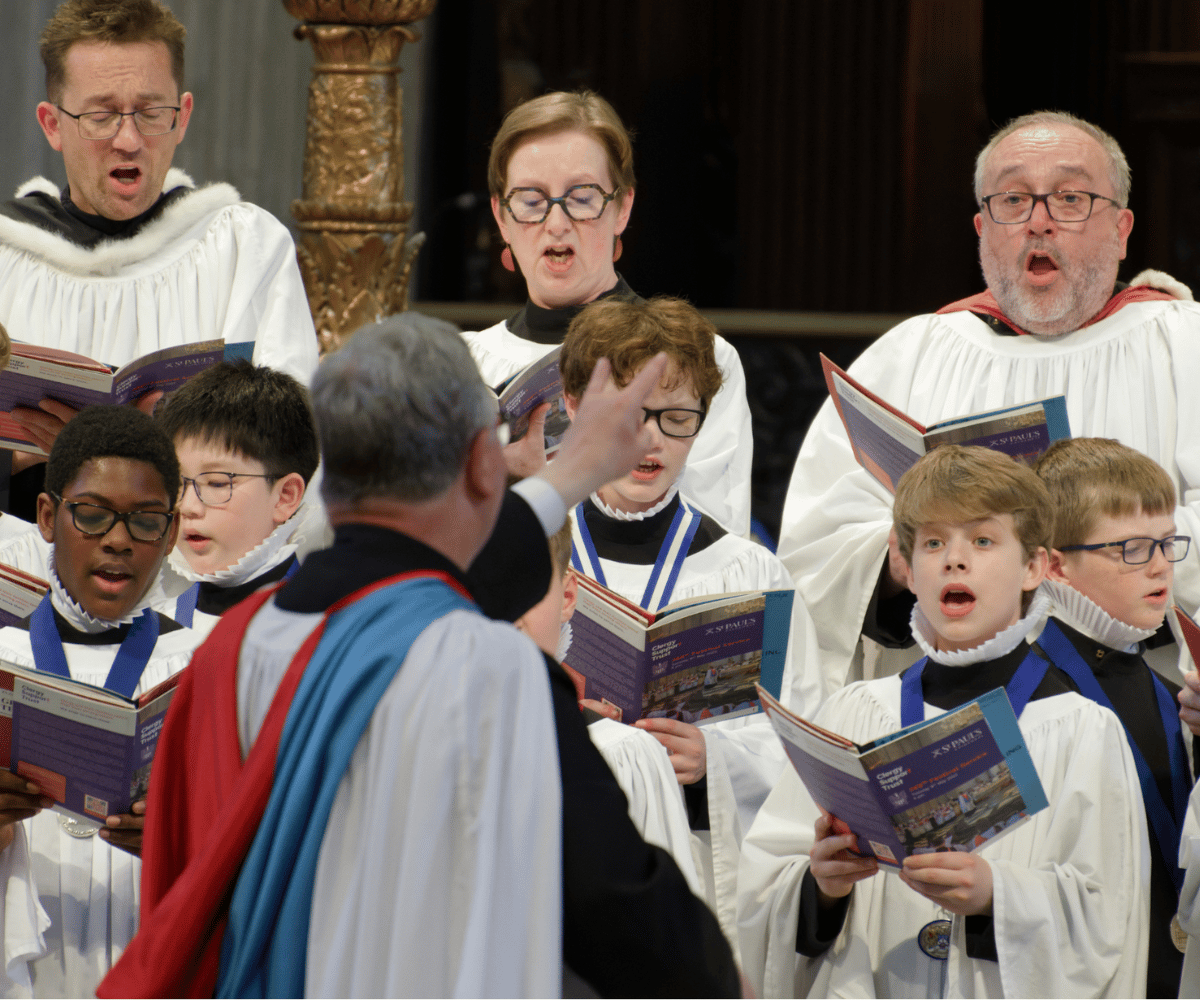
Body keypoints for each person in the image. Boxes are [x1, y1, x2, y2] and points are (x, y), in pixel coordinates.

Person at [99, 313, 739, 998]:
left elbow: (405, 583)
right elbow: (618, 910)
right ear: (477, 463)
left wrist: (559, 480)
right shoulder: (486, 668)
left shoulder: (234, 645)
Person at [776, 109, 1200, 694]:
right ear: (982, 230)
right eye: (1013, 201)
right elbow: (820, 541)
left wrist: (1104, 553)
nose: (1039, 222)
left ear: (1123, 228)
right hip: (950, 699)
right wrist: (902, 558)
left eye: (1071, 198)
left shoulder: (1185, 342)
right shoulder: (912, 354)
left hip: (1141, 693)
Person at [738, 445, 1149, 998]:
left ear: (1034, 567)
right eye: (934, 542)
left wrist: (995, 896)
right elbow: (764, 884)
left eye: (982, 540)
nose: (955, 560)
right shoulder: (856, 713)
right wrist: (822, 887)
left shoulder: (1083, 729)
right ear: (906, 567)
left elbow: (1108, 921)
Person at [560, 295, 823, 952]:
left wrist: (716, 761)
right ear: (574, 409)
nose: (652, 439)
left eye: (677, 418)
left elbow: (805, 755)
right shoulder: (528, 553)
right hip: (555, 854)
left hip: (694, 871)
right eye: (631, 413)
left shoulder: (750, 574)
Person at [0, 0, 318, 519]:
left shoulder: (241, 249)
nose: (128, 140)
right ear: (52, 124)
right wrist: (14, 457)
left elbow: (290, 448)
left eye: (151, 113)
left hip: (188, 576)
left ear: (183, 117)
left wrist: (143, 447)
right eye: (101, 116)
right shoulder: (6, 255)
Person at [463, 89, 754, 536]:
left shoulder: (699, 359)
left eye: (581, 197)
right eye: (530, 200)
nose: (555, 223)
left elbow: (714, 541)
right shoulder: (463, 367)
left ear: (622, 208)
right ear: (501, 218)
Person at [0, 405, 208, 997]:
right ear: (46, 515)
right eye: (91, 515)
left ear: (170, 534)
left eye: (145, 522)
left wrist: (183, 841)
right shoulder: (3, 661)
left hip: (149, 951)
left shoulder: (204, 668)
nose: (118, 541)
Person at [1032, 437, 1195, 998]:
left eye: (1169, 544)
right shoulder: (1029, 694)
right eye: (1130, 548)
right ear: (1055, 563)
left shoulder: (1174, 691)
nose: (1159, 568)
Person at [513, 510, 703, 896]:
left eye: (525, 587)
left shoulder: (626, 755)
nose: (506, 614)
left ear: (568, 598)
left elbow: (663, 936)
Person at [153, 360, 327, 627]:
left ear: (285, 497)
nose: (187, 507)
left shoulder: (323, 630)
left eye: (217, 483)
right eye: (176, 483)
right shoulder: (149, 628)